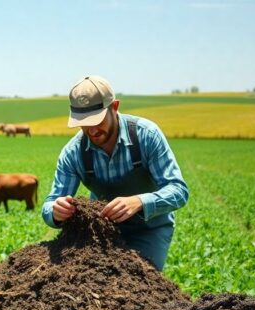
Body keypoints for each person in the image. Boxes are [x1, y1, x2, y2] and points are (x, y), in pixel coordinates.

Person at [41, 75, 189, 271]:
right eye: (84, 123)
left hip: (150, 230)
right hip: (102, 232)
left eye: (97, 120)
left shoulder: (146, 136)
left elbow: (179, 191)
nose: (92, 130)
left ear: (115, 107)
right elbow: (50, 204)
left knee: (140, 285)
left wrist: (139, 202)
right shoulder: (73, 153)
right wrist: (56, 211)